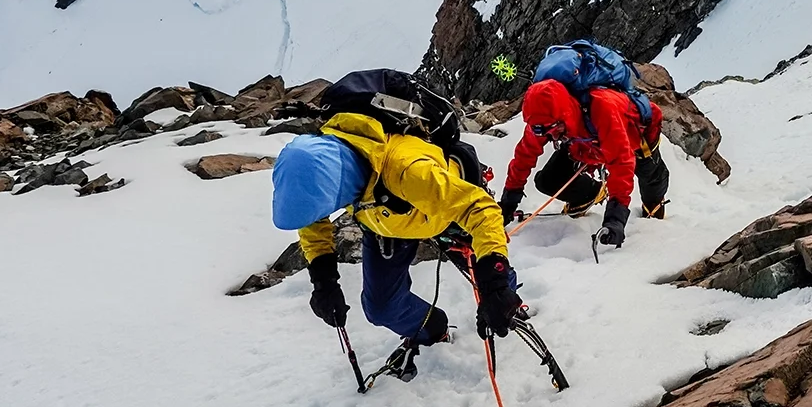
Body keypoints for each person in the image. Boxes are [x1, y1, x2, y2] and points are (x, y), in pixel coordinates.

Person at [271, 108, 523, 343]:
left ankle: (509, 308)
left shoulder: (406, 169)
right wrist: (323, 279)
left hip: (447, 212)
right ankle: (434, 331)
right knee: (382, 308)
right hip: (386, 222)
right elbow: (312, 216)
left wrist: (496, 284)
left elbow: (480, 210)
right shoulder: (324, 164)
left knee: (491, 272)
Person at [497, 77, 668, 248]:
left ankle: (653, 205)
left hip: (636, 133)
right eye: (547, 132)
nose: (553, 136)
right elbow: (524, 156)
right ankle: (591, 193)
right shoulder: (544, 121)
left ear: (564, 114)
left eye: (555, 129)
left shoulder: (603, 108)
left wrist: (615, 218)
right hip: (583, 140)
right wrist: (508, 201)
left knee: (650, 175)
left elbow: (621, 165)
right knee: (548, 180)